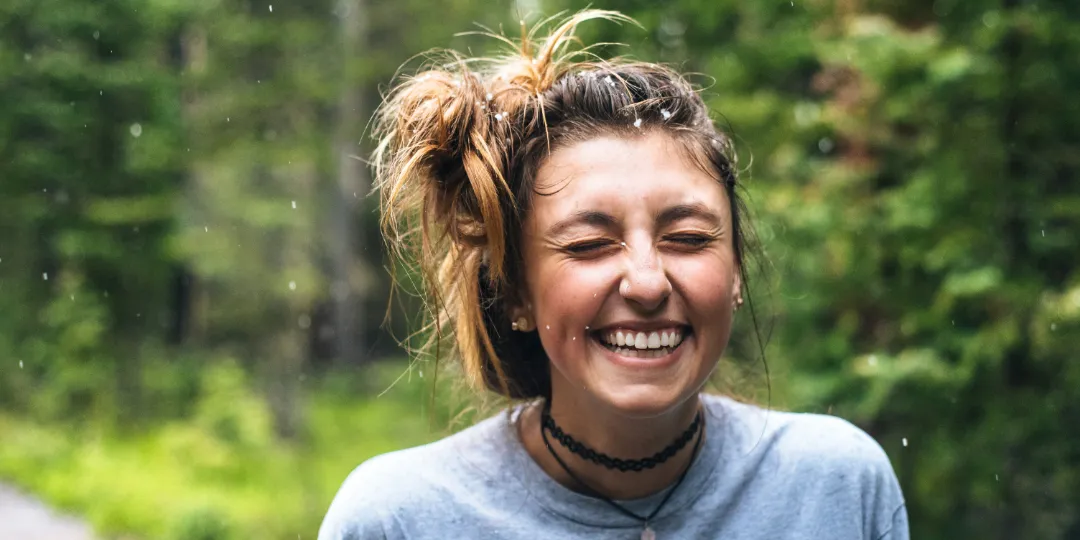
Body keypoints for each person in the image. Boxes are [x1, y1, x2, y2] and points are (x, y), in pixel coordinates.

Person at [319, 10, 908, 540]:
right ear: (518, 291)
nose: (647, 283)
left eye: (688, 239)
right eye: (589, 245)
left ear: (736, 275)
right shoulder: (398, 520)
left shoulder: (837, 488)